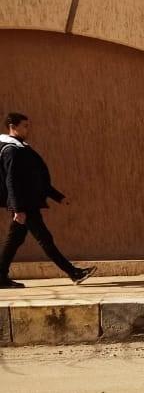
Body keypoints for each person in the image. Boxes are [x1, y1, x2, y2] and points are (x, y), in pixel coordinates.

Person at [0, 113, 95, 288]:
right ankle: (73, 272)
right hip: (25, 205)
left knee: (15, 240)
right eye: (25, 126)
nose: (28, 129)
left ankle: (0, 276)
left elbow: (36, 179)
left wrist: (58, 197)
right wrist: (17, 209)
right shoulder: (11, 150)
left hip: (26, 204)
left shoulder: (21, 148)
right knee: (45, 238)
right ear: (13, 126)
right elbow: (11, 181)